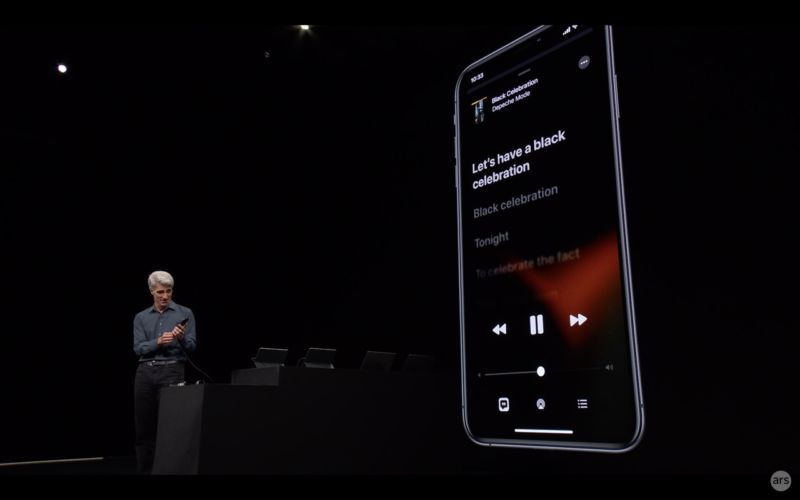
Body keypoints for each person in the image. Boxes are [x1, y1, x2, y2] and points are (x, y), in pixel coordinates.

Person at [132, 270, 197, 474]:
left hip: (173, 370)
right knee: (144, 428)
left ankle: (172, 470)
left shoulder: (185, 313)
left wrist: (181, 338)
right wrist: (158, 342)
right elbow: (138, 349)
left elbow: (192, 346)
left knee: (171, 426)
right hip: (145, 373)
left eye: (169, 291)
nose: (165, 296)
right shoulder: (141, 317)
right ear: (152, 291)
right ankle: (146, 470)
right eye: (160, 292)